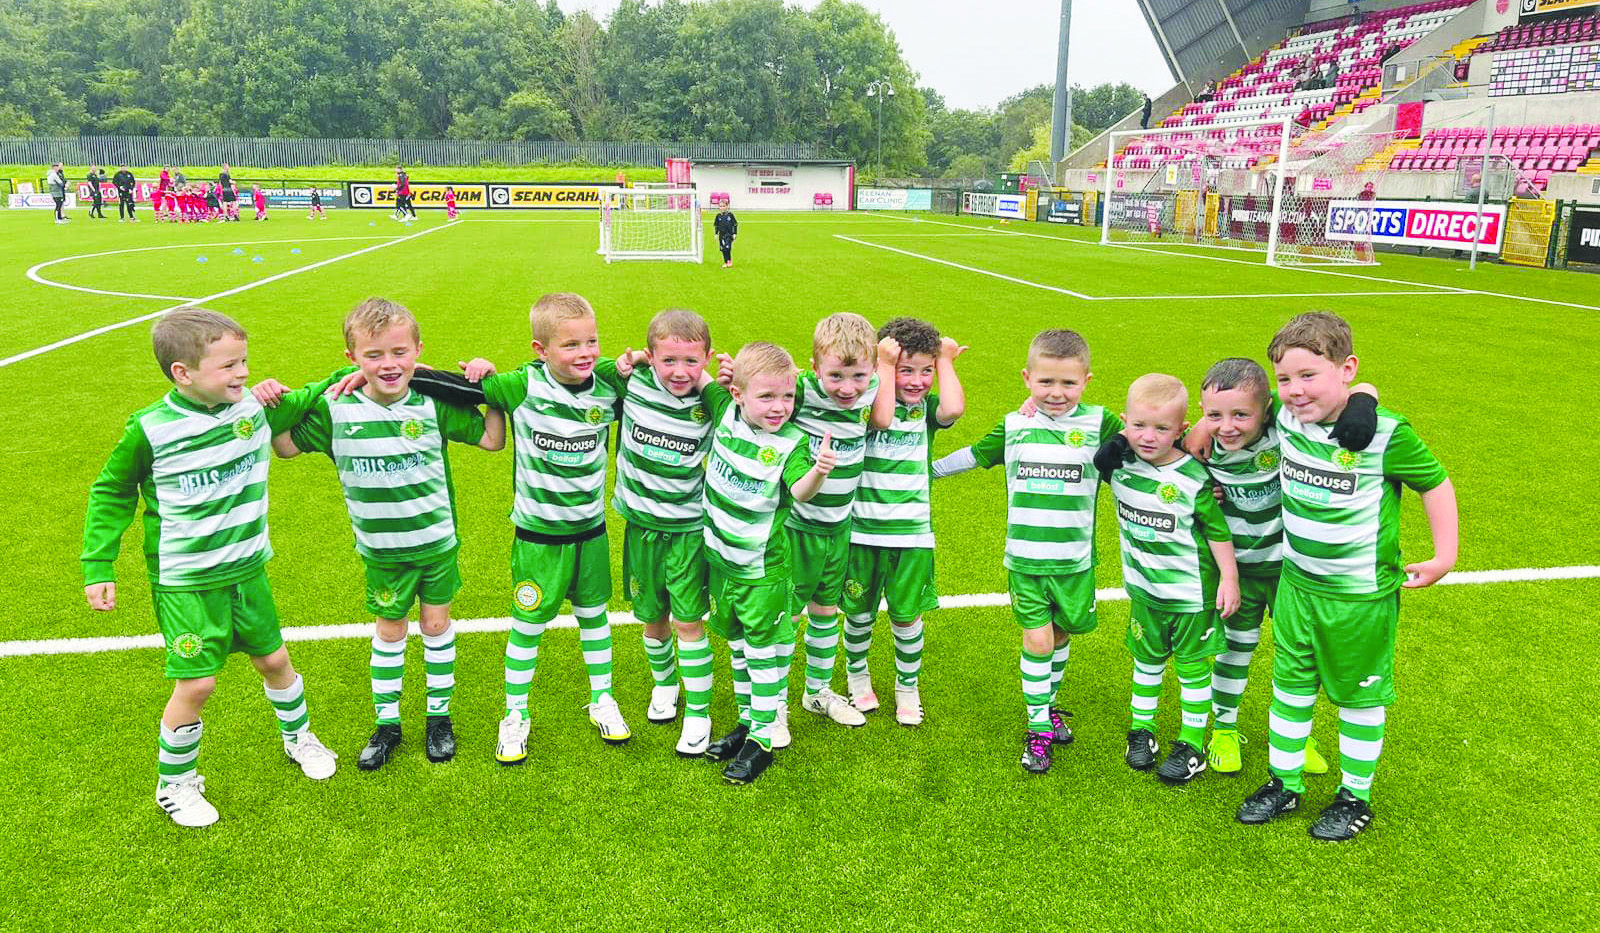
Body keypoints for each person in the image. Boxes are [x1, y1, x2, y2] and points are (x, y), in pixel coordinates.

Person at [81, 308, 341, 828]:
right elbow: (111, 491)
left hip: (246, 570)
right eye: (228, 366)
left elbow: (316, 394)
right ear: (184, 373)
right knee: (197, 684)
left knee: (274, 661)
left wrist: (353, 373)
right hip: (186, 580)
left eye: (244, 362)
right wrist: (98, 563)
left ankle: (299, 738)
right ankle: (174, 784)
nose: (242, 374)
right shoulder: (150, 430)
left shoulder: (254, 408)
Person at [1236, 312, 1457, 842]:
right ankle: (1284, 783)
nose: (1294, 391)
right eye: (1284, 380)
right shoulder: (1286, 420)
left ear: (1346, 369)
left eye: (1308, 376)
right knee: (1289, 689)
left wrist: (1444, 555)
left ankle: (1355, 795)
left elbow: (1435, 484)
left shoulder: (1384, 433)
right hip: (1298, 587)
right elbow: (1232, 417)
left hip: (1358, 597)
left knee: (1359, 700)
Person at [261, 298, 505, 771]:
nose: (389, 365)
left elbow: (492, 440)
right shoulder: (336, 408)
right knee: (390, 631)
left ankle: (439, 718)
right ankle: (388, 723)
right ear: (351, 358)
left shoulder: (432, 403)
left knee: (436, 627)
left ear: (418, 351)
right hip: (382, 552)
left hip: (435, 543)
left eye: (399, 352)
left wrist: (489, 386)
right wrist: (286, 392)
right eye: (373, 356)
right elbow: (285, 444)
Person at [450, 294, 632, 762]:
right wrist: (479, 370)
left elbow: (658, 379)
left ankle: (603, 699)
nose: (585, 352)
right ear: (540, 349)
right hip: (538, 536)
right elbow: (458, 389)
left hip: (591, 531)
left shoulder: (608, 387)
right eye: (570, 344)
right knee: (527, 626)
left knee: (595, 618)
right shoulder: (521, 386)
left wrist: (634, 362)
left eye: (591, 340)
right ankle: (514, 714)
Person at [931, 329, 1121, 774]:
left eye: (1068, 384)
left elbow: (1145, 440)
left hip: (1075, 561)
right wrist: (924, 473)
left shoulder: (1101, 423)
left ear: (1087, 381)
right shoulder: (1015, 424)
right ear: (1027, 378)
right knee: (1037, 641)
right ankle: (1038, 730)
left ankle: (1048, 705)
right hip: (1026, 560)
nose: (1056, 393)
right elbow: (975, 455)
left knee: (1059, 636)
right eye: (1046, 383)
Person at [699, 342, 836, 784]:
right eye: (767, 396)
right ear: (738, 395)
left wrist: (819, 471)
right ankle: (745, 723)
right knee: (737, 647)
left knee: (761, 653)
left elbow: (799, 492)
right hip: (722, 562)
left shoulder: (793, 444)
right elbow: (696, 380)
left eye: (788, 396)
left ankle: (762, 740)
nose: (780, 407)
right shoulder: (723, 409)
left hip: (762, 571)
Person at [1095, 374, 1239, 785]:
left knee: (1193, 668)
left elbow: (1217, 532)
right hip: (1144, 591)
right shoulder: (1118, 467)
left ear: (1181, 429)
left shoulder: (1193, 478)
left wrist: (1229, 579)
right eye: (1139, 425)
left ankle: (1191, 744)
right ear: (1124, 422)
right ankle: (1143, 732)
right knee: (1146, 663)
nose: (1148, 436)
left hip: (1191, 596)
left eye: (1161, 428)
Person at [838, 318, 966, 726]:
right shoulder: (869, 403)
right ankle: (858, 677)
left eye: (925, 371)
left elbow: (954, 408)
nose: (916, 381)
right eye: (906, 369)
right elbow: (881, 419)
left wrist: (945, 360)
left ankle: (907, 686)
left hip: (912, 536)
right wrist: (884, 368)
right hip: (861, 531)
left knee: (906, 614)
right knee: (858, 612)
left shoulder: (926, 412)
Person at [609, 311, 725, 755]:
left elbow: (743, 407)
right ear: (651, 357)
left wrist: (713, 382)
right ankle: (664, 686)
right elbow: (590, 370)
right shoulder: (632, 382)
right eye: (668, 361)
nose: (680, 372)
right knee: (652, 617)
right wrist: (628, 361)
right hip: (640, 527)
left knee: (688, 622)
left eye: (692, 362)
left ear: (707, 358)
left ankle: (699, 713)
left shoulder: (711, 401)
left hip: (687, 531)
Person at [789, 313, 880, 734]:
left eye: (858, 375)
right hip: (796, 527)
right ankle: (769, 698)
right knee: (785, 615)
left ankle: (817, 690)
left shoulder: (873, 389)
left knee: (826, 610)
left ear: (874, 370)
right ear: (814, 368)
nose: (848, 388)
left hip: (838, 527)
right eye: (835, 376)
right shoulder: (802, 390)